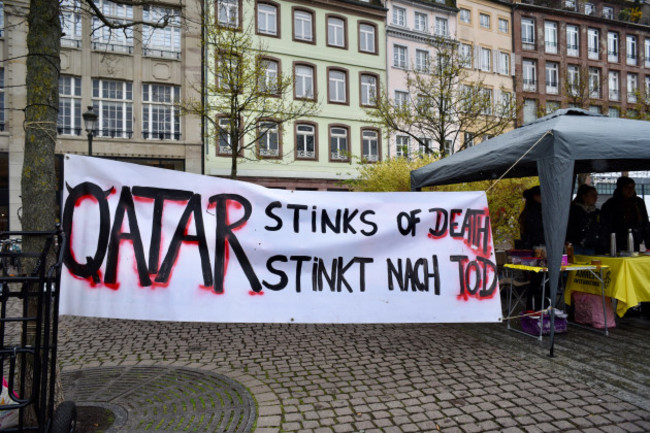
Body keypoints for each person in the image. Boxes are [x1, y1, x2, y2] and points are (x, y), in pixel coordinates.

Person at [601, 176, 650, 252]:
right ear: (621, 188)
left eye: (632, 188)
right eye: (627, 188)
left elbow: (645, 222)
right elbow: (606, 226)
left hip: (635, 239)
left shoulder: (638, 202)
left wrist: (648, 242)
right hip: (616, 242)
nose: (630, 190)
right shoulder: (611, 204)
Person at [566, 184, 601, 255]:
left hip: (591, 246)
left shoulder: (597, 212)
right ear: (584, 197)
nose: (595, 197)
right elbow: (571, 228)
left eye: (596, 195)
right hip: (576, 246)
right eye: (592, 195)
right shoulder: (574, 211)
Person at [518, 185, 544, 249]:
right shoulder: (535, 212)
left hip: (532, 246)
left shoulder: (528, 211)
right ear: (536, 196)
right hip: (538, 247)